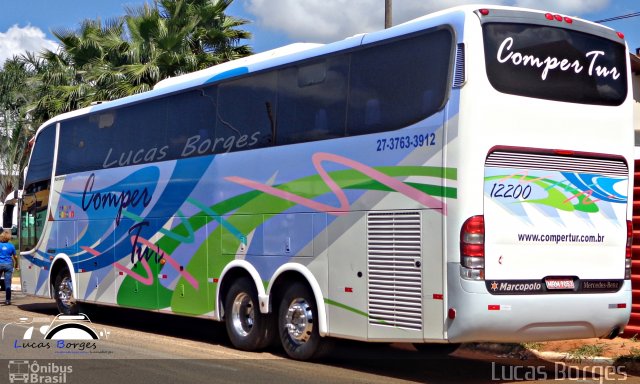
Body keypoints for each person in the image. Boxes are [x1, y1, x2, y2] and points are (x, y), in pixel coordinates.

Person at [0, 231, 17, 305]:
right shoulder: (11, 246)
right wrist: (17, 264)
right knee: (8, 283)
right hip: (8, 265)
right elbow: (15, 257)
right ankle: (8, 300)